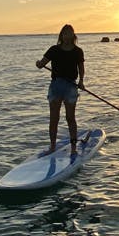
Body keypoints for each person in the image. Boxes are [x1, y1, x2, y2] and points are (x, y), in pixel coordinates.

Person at [35, 24, 85, 154]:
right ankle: (52, 146)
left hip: (71, 86)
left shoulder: (78, 51)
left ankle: (73, 148)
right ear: (61, 35)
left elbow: (81, 68)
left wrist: (81, 81)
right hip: (56, 85)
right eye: (65, 33)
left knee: (70, 118)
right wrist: (38, 64)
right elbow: (42, 64)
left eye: (69, 33)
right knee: (54, 118)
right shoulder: (54, 50)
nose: (67, 35)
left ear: (73, 35)